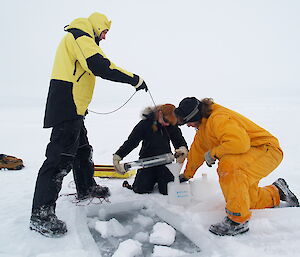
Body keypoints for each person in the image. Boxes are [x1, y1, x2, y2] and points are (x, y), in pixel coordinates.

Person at [30, 12, 148, 238]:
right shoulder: (80, 37)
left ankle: (86, 188)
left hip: (74, 109)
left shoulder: (80, 38)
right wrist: (135, 79)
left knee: (82, 151)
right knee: (59, 160)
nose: (104, 37)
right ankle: (41, 214)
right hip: (67, 107)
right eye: (104, 32)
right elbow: (101, 66)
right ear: (96, 26)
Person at [174, 97, 299, 236]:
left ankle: (237, 221)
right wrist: (186, 175)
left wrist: (214, 153)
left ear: (196, 116)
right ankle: (276, 192)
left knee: (230, 167)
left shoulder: (218, 118)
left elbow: (239, 143)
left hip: (266, 150)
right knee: (246, 200)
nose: (188, 125)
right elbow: (197, 152)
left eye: (189, 122)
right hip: (250, 154)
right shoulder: (203, 129)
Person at [113, 104, 188, 195]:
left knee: (167, 190)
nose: (167, 124)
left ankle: (160, 180)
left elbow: (179, 140)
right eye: (165, 121)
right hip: (146, 162)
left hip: (165, 161)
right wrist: (118, 156)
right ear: (160, 113)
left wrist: (182, 149)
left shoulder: (171, 125)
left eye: (170, 123)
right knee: (141, 189)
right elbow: (131, 142)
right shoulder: (144, 124)